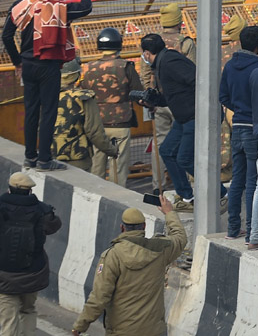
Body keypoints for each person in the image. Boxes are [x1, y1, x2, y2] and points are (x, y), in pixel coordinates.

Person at [3, 0, 91, 170]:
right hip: (49, 64)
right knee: (49, 111)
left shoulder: (20, 5)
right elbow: (86, 7)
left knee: (31, 110)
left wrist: (18, 62)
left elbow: (6, 36)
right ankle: (44, 159)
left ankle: (30, 157)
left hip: (28, 65)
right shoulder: (59, 5)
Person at [70, 193, 187, 336]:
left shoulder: (113, 255)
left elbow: (99, 297)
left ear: (122, 227)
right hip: (154, 331)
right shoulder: (160, 249)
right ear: (144, 226)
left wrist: (80, 326)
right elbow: (180, 237)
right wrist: (169, 213)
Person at [138, 33, 200, 209]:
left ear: (148, 53)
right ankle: (186, 197)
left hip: (192, 116)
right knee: (167, 151)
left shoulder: (170, 62)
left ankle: (219, 194)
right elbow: (171, 96)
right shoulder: (162, 64)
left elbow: (197, 80)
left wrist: (197, 106)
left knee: (185, 159)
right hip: (183, 117)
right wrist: (154, 101)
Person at [0, 171, 62, 336]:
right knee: (28, 310)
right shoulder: (42, 211)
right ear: (30, 191)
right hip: (33, 274)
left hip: (4, 276)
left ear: (9, 189)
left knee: (8, 318)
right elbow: (55, 226)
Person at [218, 26, 258, 241]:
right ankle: (252, 231)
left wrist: (238, 108)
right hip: (254, 129)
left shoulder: (229, 66)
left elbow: (223, 96)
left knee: (237, 180)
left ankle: (233, 229)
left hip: (237, 127)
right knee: (253, 182)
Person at [82, 27, 142, 187]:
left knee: (97, 164)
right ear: (119, 45)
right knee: (120, 165)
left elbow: (84, 94)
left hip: (98, 125)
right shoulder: (126, 66)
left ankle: (96, 194)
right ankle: (118, 195)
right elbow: (138, 93)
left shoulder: (89, 68)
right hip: (121, 122)